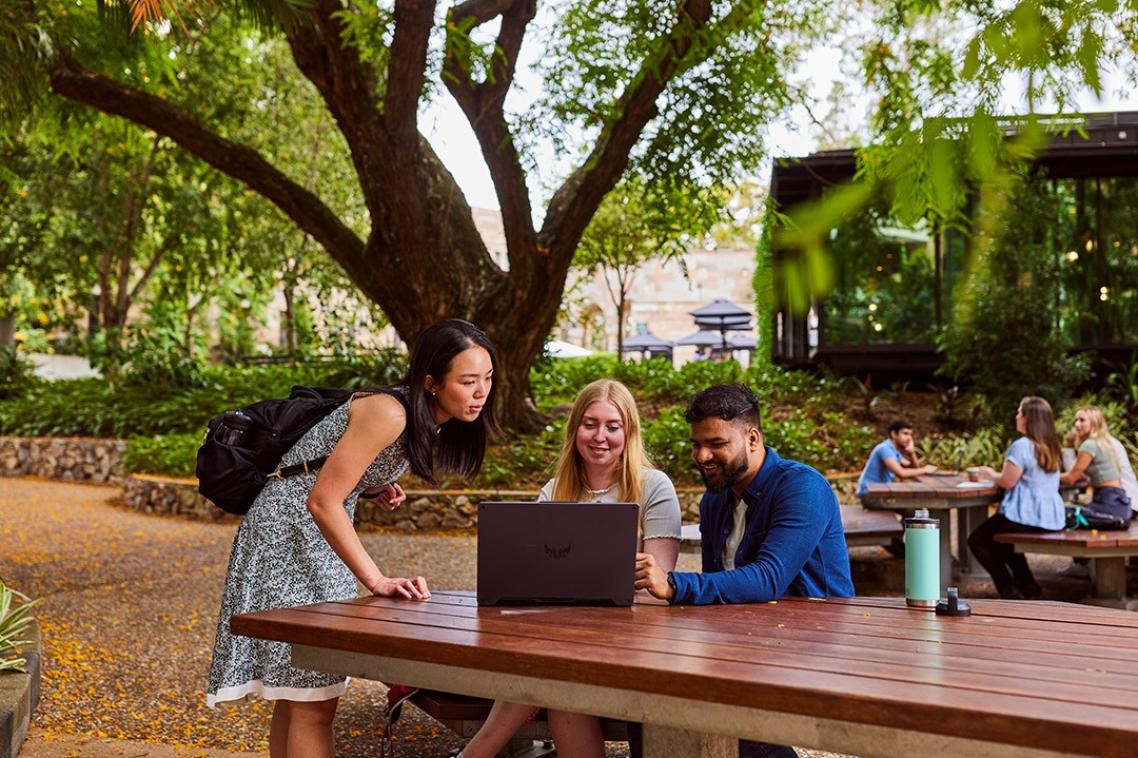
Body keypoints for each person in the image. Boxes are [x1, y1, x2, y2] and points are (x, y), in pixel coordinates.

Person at [206, 319, 499, 758]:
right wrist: (376, 580)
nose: (481, 392)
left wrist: (370, 485)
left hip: (302, 537)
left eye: (488, 379)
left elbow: (326, 468)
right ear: (431, 383)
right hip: (289, 541)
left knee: (299, 698)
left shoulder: (417, 416)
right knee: (313, 702)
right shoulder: (390, 412)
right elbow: (322, 501)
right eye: (468, 381)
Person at [460, 379, 682, 758]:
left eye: (613, 426)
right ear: (574, 428)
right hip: (564, 639)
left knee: (555, 670)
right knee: (558, 673)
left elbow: (654, 588)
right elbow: (532, 572)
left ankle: (475, 753)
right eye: (590, 424)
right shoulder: (555, 489)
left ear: (629, 433)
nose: (600, 436)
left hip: (631, 642)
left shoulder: (652, 486)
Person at [634, 382, 853, 758]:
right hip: (746, 641)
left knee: (728, 716)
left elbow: (768, 578)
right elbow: (721, 587)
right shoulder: (715, 500)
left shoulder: (802, 488)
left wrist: (673, 585)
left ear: (752, 438)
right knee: (646, 698)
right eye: (696, 444)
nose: (702, 455)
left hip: (815, 645)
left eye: (717, 444)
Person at [967, 396, 1065, 600]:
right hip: (1050, 517)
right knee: (1004, 543)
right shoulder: (1051, 446)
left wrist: (989, 473)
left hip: (1024, 515)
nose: (1016, 416)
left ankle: (1008, 589)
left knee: (977, 541)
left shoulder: (1022, 446)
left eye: (1020, 412)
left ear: (1028, 418)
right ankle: (1029, 586)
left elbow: (1008, 481)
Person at [1060, 405, 1136, 521]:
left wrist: (1045, 475)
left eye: (1082, 420)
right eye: (1075, 420)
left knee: (1067, 515)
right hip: (1122, 502)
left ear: (1094, 422)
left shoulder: (1091, 444)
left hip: (1116, 500)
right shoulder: (1104, 441)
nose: (1076, 425)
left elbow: (1073, 477)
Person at [855, 419, 937, 503]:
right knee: (913, 507)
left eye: (910, 435)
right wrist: (925, 470)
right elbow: (901, 473)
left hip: (880, 493)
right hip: (869, 495)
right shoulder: (884, 449)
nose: (909, 438)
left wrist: (912, 453)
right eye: (905, 434)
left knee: (915, 506)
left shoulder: (894, 451)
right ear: (894, 434)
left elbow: (913, 467)